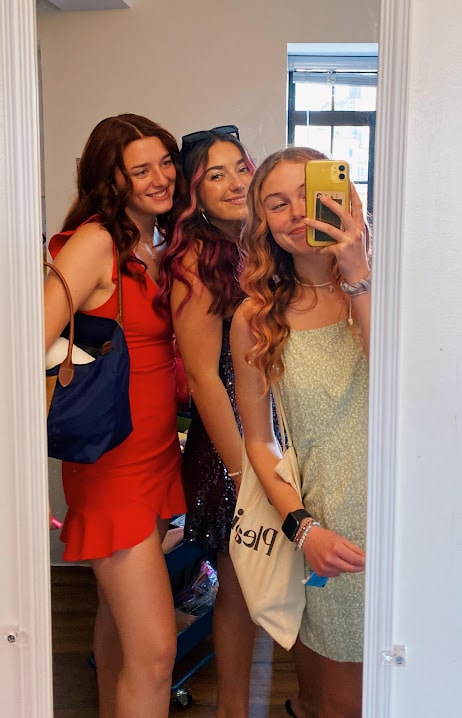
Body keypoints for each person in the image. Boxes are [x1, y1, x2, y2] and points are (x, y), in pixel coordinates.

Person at [44, 113, 187, 718]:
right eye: (141, 169)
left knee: (117, 623)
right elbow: (29, 340)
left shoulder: (158, 241)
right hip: (111, 466)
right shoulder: (96, 241)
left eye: (165, 161)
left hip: (155, 454)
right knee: (156, 653)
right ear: (113, 180)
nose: (161, 178)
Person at [230, 147, 370, 718]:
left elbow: (405, 386)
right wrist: (302, 528)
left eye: (306, 197)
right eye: (276, 204)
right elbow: (258, 442)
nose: (294, 215)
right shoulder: (256, 318)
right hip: (329, 533)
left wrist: (359, 274)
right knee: (342, 703)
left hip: (413, 519)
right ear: (263, 224)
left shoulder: (389, 284)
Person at [157, 125, 256, 718]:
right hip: (229, 447)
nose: (234, 182)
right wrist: (245, 472)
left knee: (264, 580)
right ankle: (235, 711)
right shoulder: (198, 256)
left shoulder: (258, 243)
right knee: (240, 589)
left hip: (269, 432)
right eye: (213, 175)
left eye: (239, 167)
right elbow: (202, 379)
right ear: (193, 193)